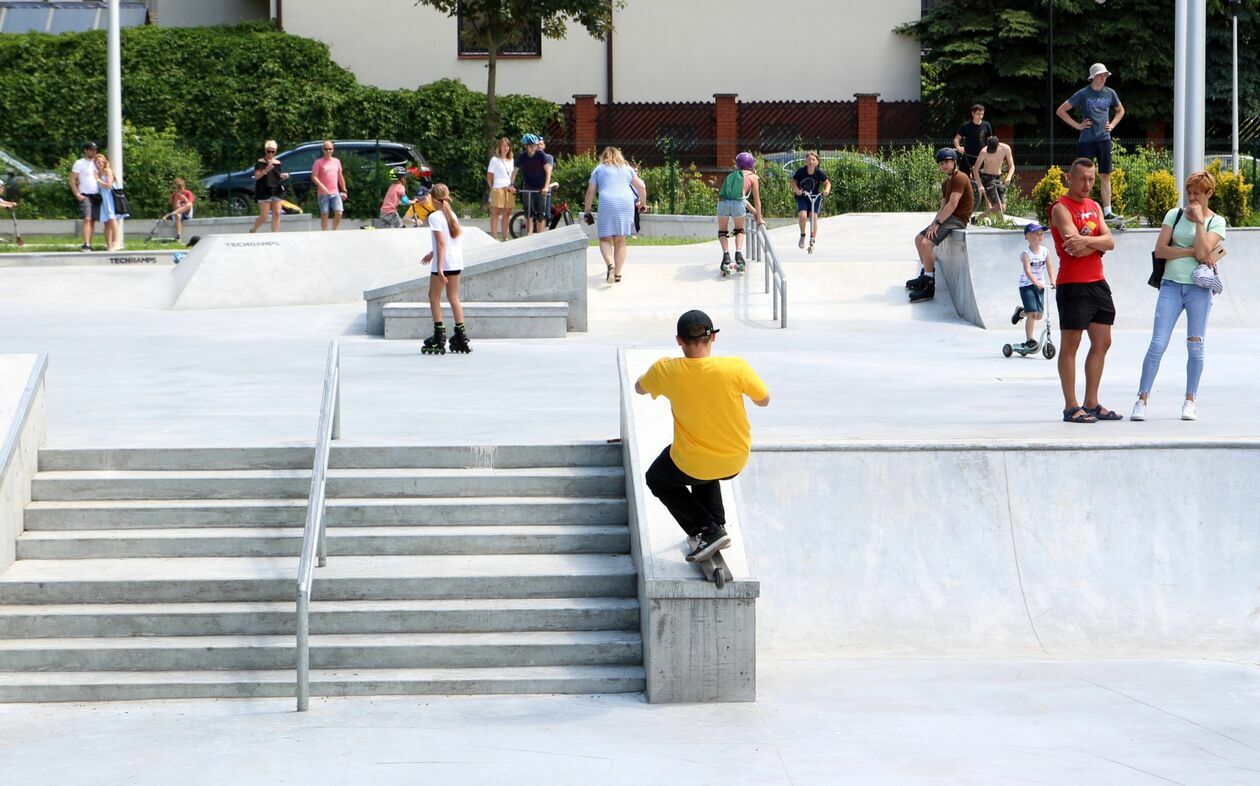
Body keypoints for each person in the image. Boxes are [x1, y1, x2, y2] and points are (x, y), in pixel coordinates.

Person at [636, 310, 771, 563]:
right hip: (735, 460)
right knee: (702, 465)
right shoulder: (736, 368)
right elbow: (764, 400)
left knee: (657, 477)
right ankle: (717, 523)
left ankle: (706, 527)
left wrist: (653, 377)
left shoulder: (666, 370)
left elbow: (639, 388)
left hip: (692, 463)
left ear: (679, 340)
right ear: (714, 337)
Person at [1131, 170, 1227, 422]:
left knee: (1195, 345)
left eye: (1197, 193)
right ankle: (1142, 399)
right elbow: (1160, 250)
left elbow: (1204, 252)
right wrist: (1189, 251)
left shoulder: (1216, 222)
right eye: (1189, 192)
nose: (1192, 198)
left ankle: (1190, 400)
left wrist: (1199, 222)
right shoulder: (1173, 215)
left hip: (1199, 290)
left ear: (1209, 193)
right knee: (1157, 343)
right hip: (1171, 286)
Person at [1050, 158, 1118, 424]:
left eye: (1091, 179)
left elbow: (1110, 242)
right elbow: (1073, 249)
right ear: (1070, 178)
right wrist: (1097, 244)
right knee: (1071, 345)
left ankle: (1091, 403)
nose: (1087, 184)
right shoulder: (1060, 208)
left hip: (1097, 282)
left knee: (1103, 342)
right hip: (1072, 284)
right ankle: (1071, 406)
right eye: (1082, 179)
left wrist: (1089, 241)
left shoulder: (1095, 206)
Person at [1057, 63, 1124, 220]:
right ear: (1093, 77)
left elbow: (1120, 110)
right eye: (1100, 76)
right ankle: (1078, 208)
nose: (1103, 78)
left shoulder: (1110, 93)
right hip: (1087, 140)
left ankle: (1107, 211)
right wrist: (1078, 126)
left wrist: (1112, 125)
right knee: (1081, 175)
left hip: (1104, 139)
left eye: (1105, 75)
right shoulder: (1083, 94)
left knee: (1105, 174)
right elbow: (1061, 110)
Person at [907, 148, 973, 303]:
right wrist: (933, 223)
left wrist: (938, 223)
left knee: (926, 244)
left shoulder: (960, 178)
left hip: (958, 218)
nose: (944, 166)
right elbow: (943, 206)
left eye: (946, 162)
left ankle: (929, 287)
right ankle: (926, 274)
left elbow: (952, 204)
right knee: (919, 239)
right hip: (948, 217)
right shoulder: (946, 182)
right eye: (941, 163)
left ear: (954, 162)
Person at [419, 183, 470, 355]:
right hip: (456, 262)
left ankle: (439, 336)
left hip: (444, 263)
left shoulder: (434, 217)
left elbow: (441, 242)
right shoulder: (451, 215)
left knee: (433, 296)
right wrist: (432, 253)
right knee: (453, 297)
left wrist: (439, 267)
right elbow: (448, 241)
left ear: (433, 199)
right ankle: (461, 336)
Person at [584, 146, 647, 285]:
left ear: (603, 157)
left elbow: (590, 191)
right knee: (620, 240)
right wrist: (643, 203)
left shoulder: (598, 169)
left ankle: (610, 265)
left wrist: (587, 210)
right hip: (626, 203)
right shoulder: (627, 169)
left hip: (607, 203)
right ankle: (617, 274)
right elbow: (642, 187)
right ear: (619, 156)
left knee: (605, 239)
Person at [715, 152, 764, 275]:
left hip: (723, 203)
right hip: (737, 205)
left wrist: (752, 211)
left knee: (722, 232)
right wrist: (758, 218)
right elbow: (756, 200)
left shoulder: (732, 175)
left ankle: (726, 256)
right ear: (751, 164)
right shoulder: (753, 177)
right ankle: (738, 255)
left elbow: (738, 196)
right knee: (739, 230)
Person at [1011, 223, 1057, 349]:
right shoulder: (1026, 254)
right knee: (1032, 313)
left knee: (1039, 316)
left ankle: (1021, 312)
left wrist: (1053, 280)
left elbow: (1050, 267)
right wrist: (1035, 282)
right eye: (1036, 234)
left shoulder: (1045, 252)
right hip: (1027, 286)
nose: (1040, 236)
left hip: (1040, 285)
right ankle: (1029, 340)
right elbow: (1027, 271)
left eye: (1041, 234)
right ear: (1027, 236)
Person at [512, 134, 553, 236]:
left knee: (540, 214)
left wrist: (546, 186)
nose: (533, 147)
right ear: (526, 146)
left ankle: (540, 236)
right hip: (528, 185)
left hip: (541, 186)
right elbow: (515, 171)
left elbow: (548, 171)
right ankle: (529, 235)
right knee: (528, 212)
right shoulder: (522, 156)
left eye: (535, 145)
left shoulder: (540, 155)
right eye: (531, 145)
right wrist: (511, 184)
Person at [791, 152, 831, 252]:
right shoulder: (801, 171)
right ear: (805, 161)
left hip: (814, 197)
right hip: (803, 197)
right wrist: (797, 190)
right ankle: (802, 235)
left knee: (813, 217)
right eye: (809, 159)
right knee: (803, 216)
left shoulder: (818, 172)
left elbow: (827, 183)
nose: (811, 161)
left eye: (813, 160)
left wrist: (826, 190)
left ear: (817, 162)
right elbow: (793, 182)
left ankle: (812, 239)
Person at [972, 136, 1015, 224]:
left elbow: (1012, 166)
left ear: (998, 146)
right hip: (987, 178)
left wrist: (1009, 177)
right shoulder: (984, 152)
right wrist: (980, 185)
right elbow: (975, 169)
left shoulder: (1005, 149)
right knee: (999, 207)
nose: (990, 153)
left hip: (998, 178)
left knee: (1002, 207)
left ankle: (976, 218)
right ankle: (1001, 223)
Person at [69, 141, 102, 251]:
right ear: (85, 150)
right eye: (91, 150)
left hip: (96, 194)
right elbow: (72, 179)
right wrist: (77, 194)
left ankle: (89, 243)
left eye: (95, 150)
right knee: (87, 218)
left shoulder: (96, 163)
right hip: (85, 194)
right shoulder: (79, 163)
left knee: (92, 220)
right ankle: (86, 243)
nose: (94, 152)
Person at [249, 140, 288, 233]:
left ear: (275, 151)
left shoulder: (277, 163)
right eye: (268, 151)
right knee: (264, 215)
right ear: (265, 150)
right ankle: (253, 229)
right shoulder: (260, 162)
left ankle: (275, 233)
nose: (270, 153)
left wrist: (283, 176)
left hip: (276, 190)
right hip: (264, 190)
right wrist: (265, 170)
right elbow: (257, 176)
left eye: (272, 151)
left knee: (277, 213)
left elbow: (277, 175)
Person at [312, 140, 347, 231]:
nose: (328, 151)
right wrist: (322, 187)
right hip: (323, 193)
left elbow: (340, 176)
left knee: (339, 212)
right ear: (322, 150)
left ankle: (333, 231)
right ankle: (325, 233)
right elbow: (314, 177)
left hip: (335, 192)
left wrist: (344, 190)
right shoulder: (318, 162)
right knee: (324, 214)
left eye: (330, 149)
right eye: (326, 149)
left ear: (333, 149)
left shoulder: (336, 161)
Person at [486, 137, 514, 241]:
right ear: (500, 147)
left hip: (508, 189)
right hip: (498, 188)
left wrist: (512, 186)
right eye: (504, 146)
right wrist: (493, 188)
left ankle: (505, 237)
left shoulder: (511, 159)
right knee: (496, 213)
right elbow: (489, 176)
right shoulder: (495, 160)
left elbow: (512, 175)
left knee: (507, 213)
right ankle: (494, 237)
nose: (506, 148)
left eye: (507, 146)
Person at [95, 153, 125, 251]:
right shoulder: (97, 173)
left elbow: (109, 185)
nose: (100, 163)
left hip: (110, 197)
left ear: (105, 162)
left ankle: (116, 242)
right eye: (97, 162)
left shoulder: (108, 171)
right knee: (106, 222)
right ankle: (108, 244)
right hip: (102, 199)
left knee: (112, 219)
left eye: (101, 161)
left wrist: (98, 181)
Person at [953, 104, 992, 179]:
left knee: (982, 179)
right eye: (978, 114)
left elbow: (990, 140)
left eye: (982, 114)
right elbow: (956, 139)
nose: (980, 116)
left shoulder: (987, 125)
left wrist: (990, 151)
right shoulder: (966, 126)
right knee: (963, 178)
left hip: (982, 157)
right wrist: (958, 147)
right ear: (973, 113)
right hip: (968, 157)